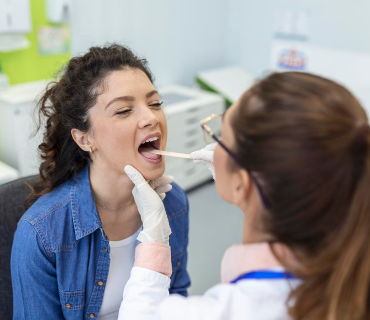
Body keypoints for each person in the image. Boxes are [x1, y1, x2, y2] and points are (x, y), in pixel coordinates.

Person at [118, 72, 370, 320]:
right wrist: (249, 190)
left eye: (222, 137)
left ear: (243, 183)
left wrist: (154, 239)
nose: (149, 118)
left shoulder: (237, 309)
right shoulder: (349, 272)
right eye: (123, 110)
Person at [11, 44, 190, 319]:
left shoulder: (173, 202)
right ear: (85, 138)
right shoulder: (42, 233)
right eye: (123, 110)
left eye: (155, 104)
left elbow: (176, 298)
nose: (151, 117)